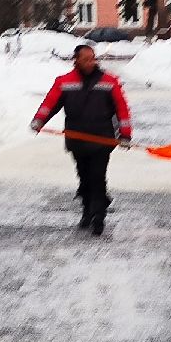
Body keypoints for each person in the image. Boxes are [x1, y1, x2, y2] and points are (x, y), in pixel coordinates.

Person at [30, 44, 133, 236]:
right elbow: (50, 103)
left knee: (97, 176)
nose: (90, 62)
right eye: (85, 59)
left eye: (92, 58)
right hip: (76, 139)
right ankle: (87, 209)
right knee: (84, 176)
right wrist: (39, 120)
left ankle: (99, 216)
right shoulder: (64, 82)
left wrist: (125, 133)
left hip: (102, 139)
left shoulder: (109, 82)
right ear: (75, 60)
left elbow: (122, 108)